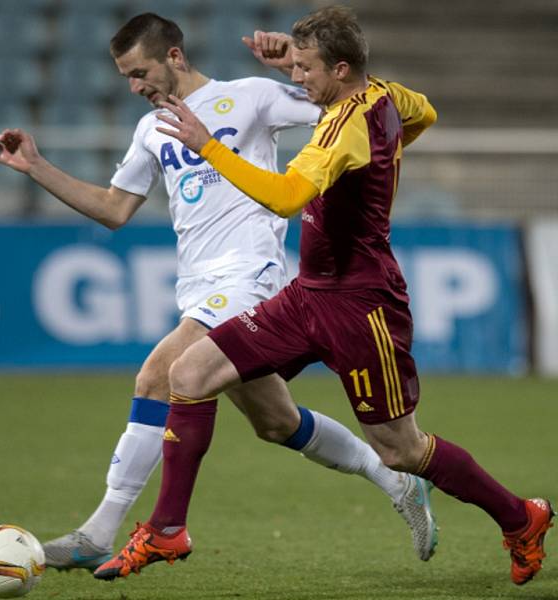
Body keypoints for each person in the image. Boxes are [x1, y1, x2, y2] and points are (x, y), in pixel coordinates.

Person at [93, 6, 554, 586]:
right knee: (189, 375)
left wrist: (210, 146)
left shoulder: (342, 129)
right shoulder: (384, 95)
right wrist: (309, 68)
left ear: (339, 68)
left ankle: (521, 517)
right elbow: (425, 112)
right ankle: (165, 530)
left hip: (361, 306)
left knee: (400, 449)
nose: (296, 79)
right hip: (308, 291)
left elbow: (285, 197)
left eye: (305, 68)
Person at [0, 11, 437, 572]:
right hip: (198, 285)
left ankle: (101, 530)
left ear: (174, 56)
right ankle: (392, 478)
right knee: (276, 422)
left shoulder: (250, 97)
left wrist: (292, 68)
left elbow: (351, 105)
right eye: (125, 77)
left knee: (157, 375)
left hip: (251, 276)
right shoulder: (150, 129)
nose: (134, 86)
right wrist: (36, 167)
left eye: (140, 71)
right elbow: (114, 209)